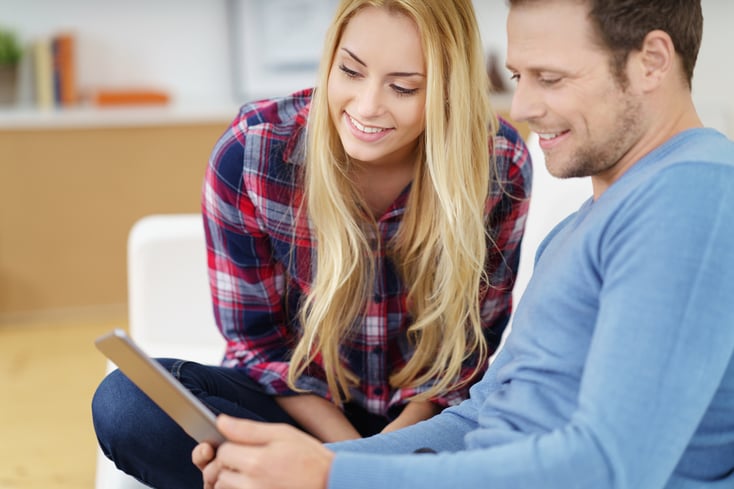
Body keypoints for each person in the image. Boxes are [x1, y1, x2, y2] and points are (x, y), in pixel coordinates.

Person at [192, 0, 734, 488]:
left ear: (653, 62)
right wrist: (311, 466)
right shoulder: (582, 227)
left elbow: (611, 466)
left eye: (550, 78)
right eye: (520, 76)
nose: (520, 107)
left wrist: (335, 475)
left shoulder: (692, 192)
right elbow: (477, 416)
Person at [91, 0, 532, 487]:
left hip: (421, 426)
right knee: (127, 405)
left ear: (449, 89)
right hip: (293, 410)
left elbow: (465, 357)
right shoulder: (252, 153)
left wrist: (360, 465)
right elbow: (260, 348)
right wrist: (338, 463)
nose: (366, 107)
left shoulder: (498, 163)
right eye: (350, 71)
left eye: (404, 87)